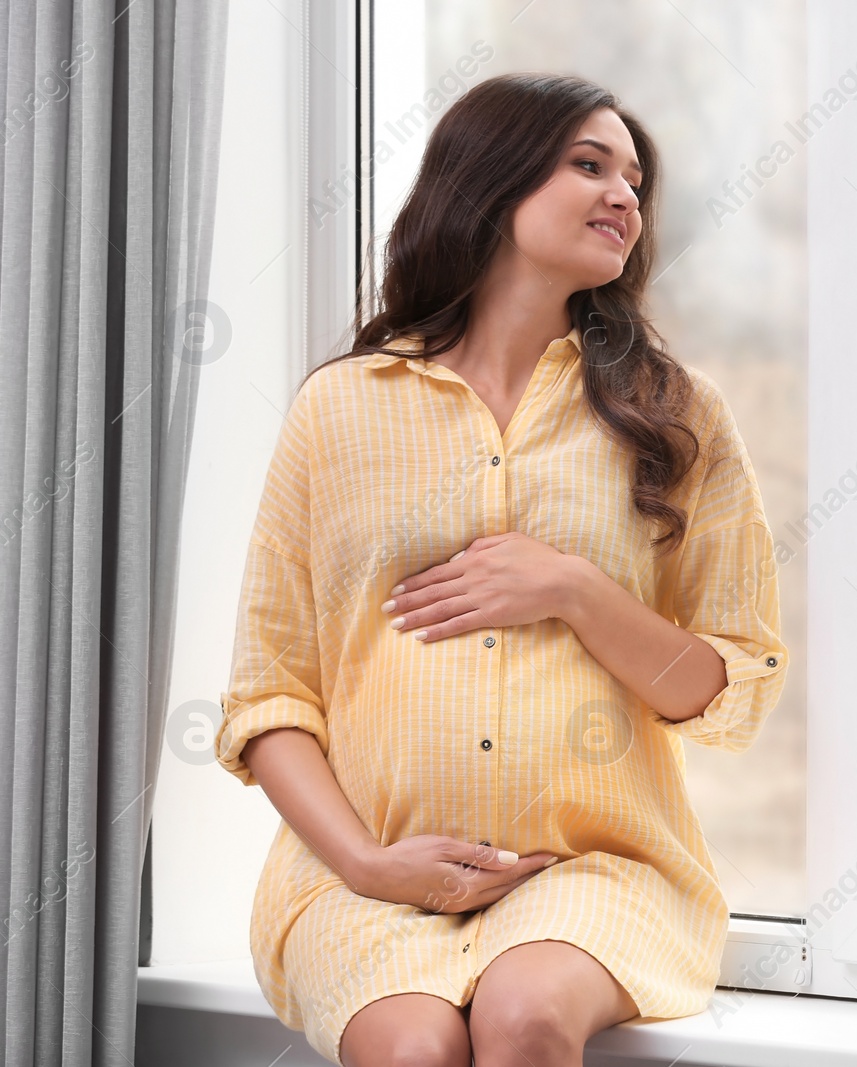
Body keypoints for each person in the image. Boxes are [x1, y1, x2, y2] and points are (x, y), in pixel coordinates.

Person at [213, 72, 788, 1067]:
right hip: (369, 873)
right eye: (588, 164)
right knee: (411, 1049)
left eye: (636, 181)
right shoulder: (338, 409)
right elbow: (270, 695)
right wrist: (368, 861)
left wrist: (573, 587)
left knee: (523, 1019)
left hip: (595, 870)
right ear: (488, 180)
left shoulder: (675, 414)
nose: (625, 197)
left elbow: (724, 690)